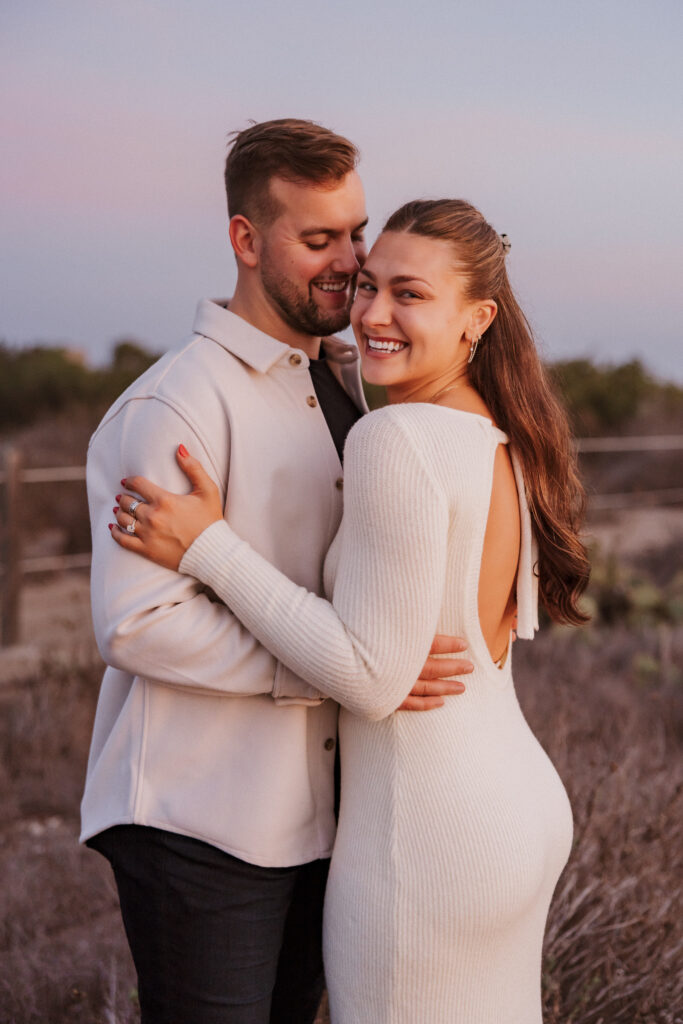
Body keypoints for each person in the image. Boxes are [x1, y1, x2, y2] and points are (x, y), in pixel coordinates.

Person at [112, 198, 591, 1023]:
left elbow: (370, 678)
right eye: (367, 286)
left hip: (426, 835)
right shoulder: (497, 434)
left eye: (409, 294)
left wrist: (208, 546)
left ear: (478, 318)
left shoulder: (397, 438)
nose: (372, 314)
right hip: (514, 809)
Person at [81, 120, 471, 1024]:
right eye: (317, 239)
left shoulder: (340, 380)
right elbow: (136, 623)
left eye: (355, 232)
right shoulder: (176, 402)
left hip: (323, 819)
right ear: (245, 241)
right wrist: (339, 667)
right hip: (203, 821)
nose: (348, 261)